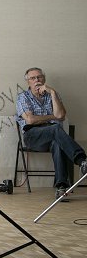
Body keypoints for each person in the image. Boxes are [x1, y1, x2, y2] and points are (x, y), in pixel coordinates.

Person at [16, 67, 87, 197]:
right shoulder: (23, 97)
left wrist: (53, 92)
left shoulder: (53, 94)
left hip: (52, 135)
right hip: (33, 136)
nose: (37, 80)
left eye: (39, 77)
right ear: (28, 82)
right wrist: (53, 117)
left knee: (57, 143)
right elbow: (31, 120)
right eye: (33, 78)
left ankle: (61, 187)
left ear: (44, 79)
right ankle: (82, 160)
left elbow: (61, 115)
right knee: (55, 128)